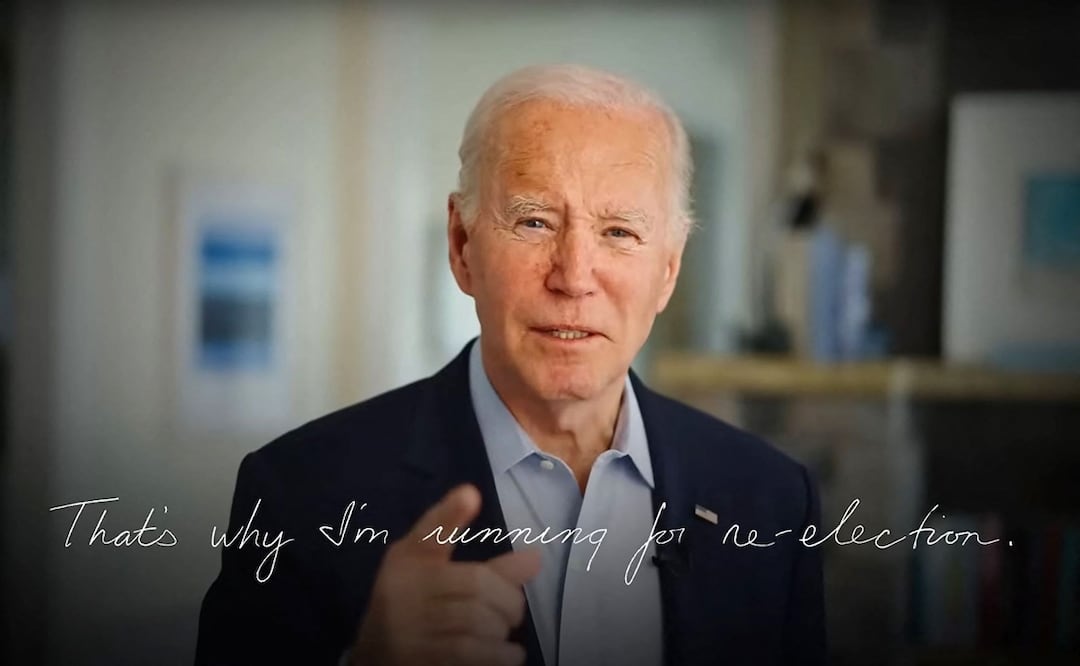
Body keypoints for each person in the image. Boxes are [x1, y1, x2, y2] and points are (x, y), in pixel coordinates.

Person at [195, 64, 826, 666]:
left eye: (619, 233)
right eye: (533, 221)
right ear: (462, 245)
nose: (574, 277)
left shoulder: (772, 500)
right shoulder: (298, 495)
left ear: (668, 269)